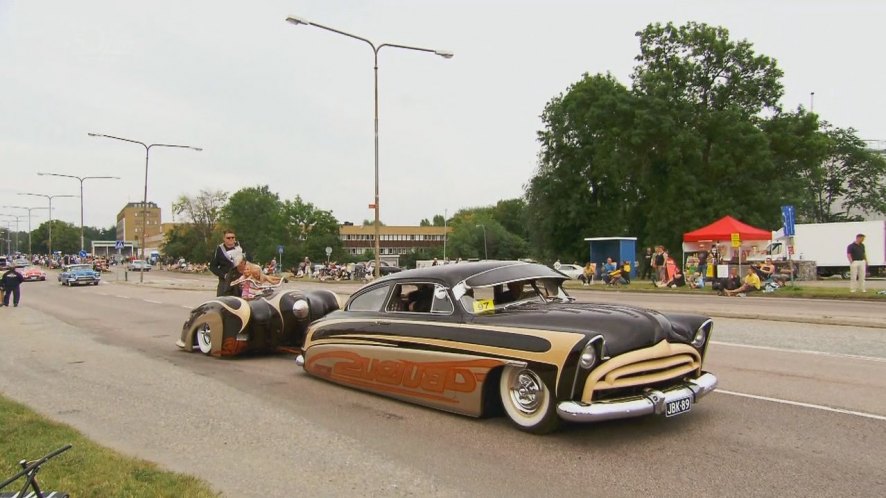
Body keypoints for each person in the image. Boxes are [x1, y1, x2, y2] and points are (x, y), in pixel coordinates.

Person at [210, 230, 243, 297]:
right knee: (223, 301)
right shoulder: (219, 249)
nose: (231, 239)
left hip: (240, 279)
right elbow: (213, 267)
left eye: (233, 237)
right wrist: (224, 275)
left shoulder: (241, 247)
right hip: (225, 280)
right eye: (228, 238)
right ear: (224, 239)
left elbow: (249, 261)